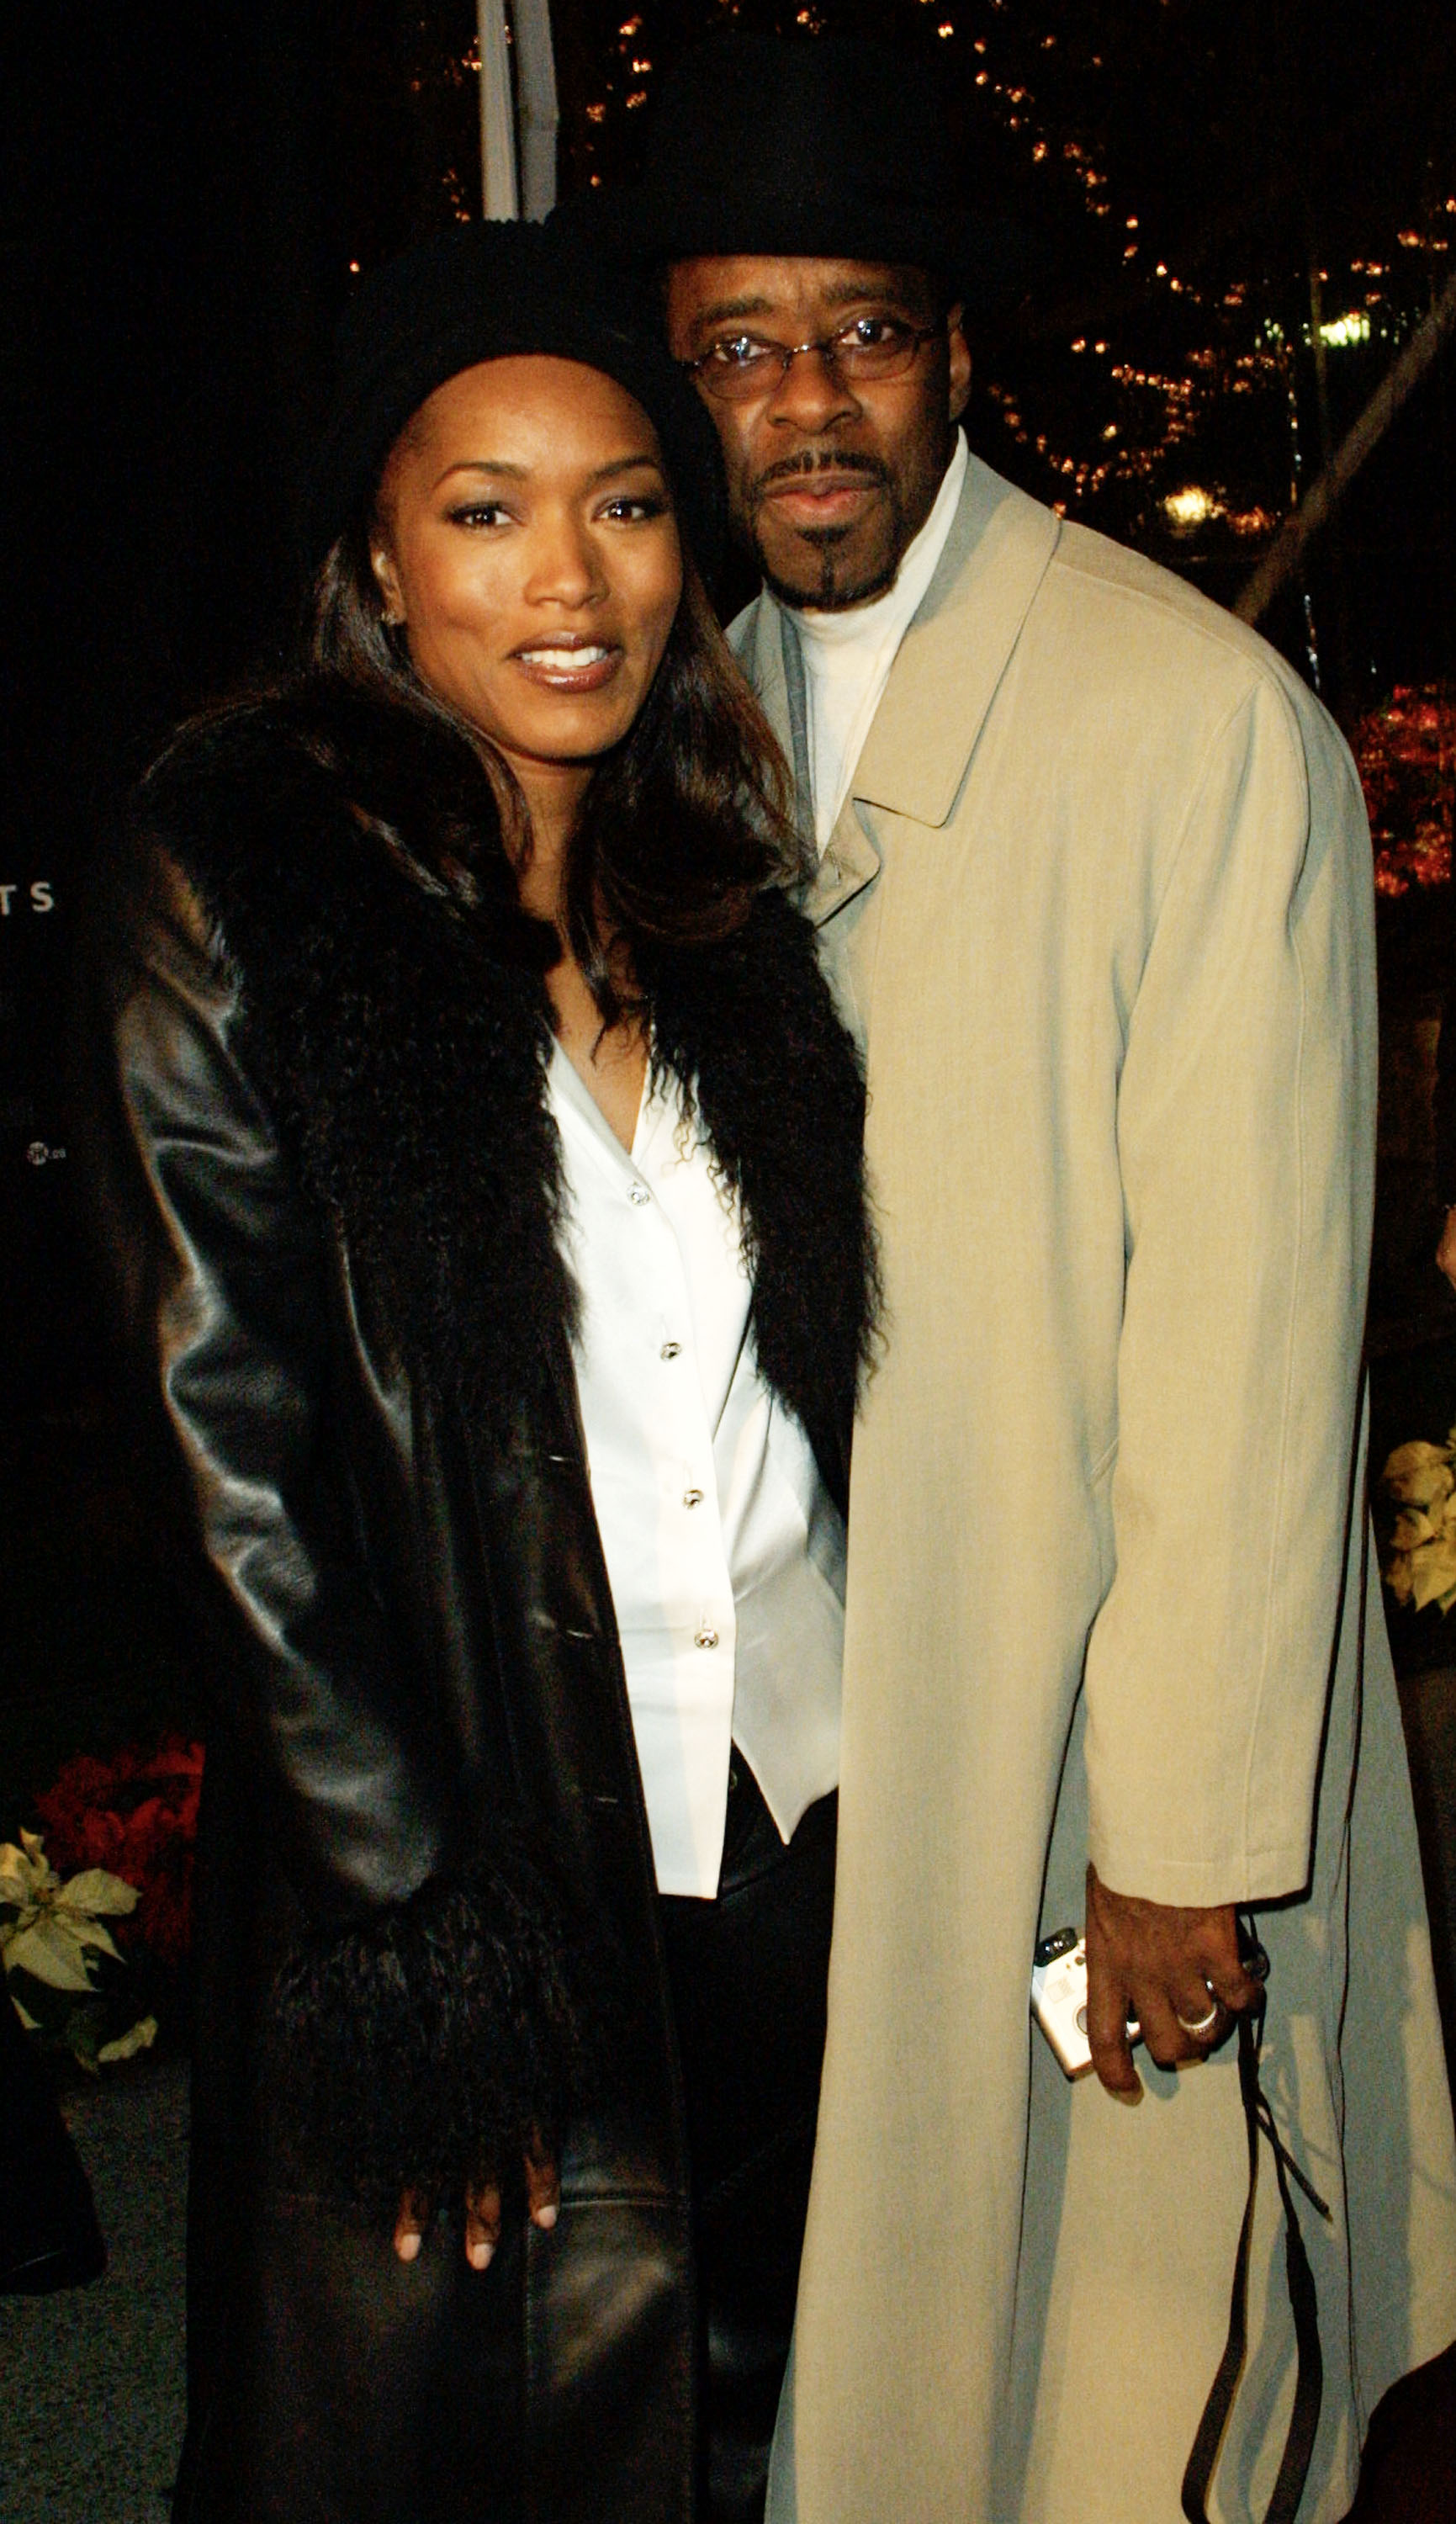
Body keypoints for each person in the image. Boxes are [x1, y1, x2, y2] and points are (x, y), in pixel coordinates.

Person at [624, 31, 1456, 2524]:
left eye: (858, 334)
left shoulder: (1188, 721)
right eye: (741, 347)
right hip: (810, 1727)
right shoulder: (690, 718)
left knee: (1123, 2375)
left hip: (1098, 1737)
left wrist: (1184, 1829)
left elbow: (1247, 1321)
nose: (805, 407)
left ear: (953, 352)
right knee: (869, 2339)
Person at [74, 221, 876, 2524]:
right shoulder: (236, 884)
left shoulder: (714, 893)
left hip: (799, 1820)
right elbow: (218, 1454)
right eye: (485, 505)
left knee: (766, 2432)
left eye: (625, 500)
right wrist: (419, 1919)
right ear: (378, 560)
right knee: (470, 2449)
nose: (573, 573)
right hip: (478, 1858)